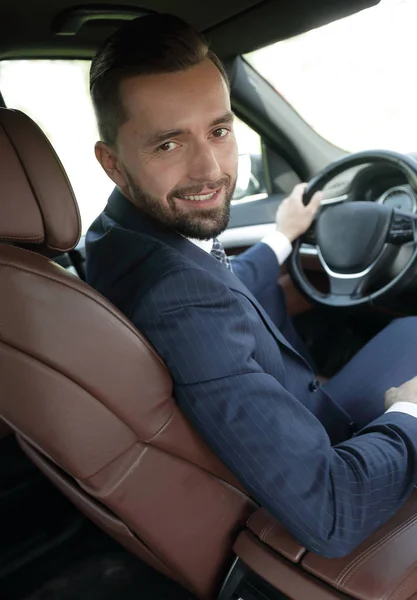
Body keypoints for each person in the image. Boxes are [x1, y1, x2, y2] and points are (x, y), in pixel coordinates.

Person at [85, 13, 417, 558]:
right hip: (328, 455)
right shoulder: (176, 300)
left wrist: (283, 239)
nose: (211, 169)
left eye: (218, 130)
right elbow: (332, 512)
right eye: (168, 145)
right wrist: (406, 413)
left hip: (293, 426)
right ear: (113, 164)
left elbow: (218, 285)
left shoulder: (116, 236)